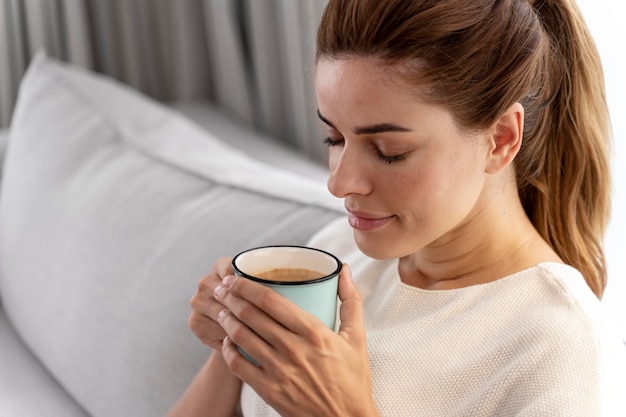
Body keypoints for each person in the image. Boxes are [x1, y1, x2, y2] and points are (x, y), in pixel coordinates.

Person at [167, 0, 626, 415]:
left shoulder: (557, 346)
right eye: (335, 138)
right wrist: (238, 341)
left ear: (501, 138)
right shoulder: (337, 253)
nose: (338, 182)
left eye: (388, 150)